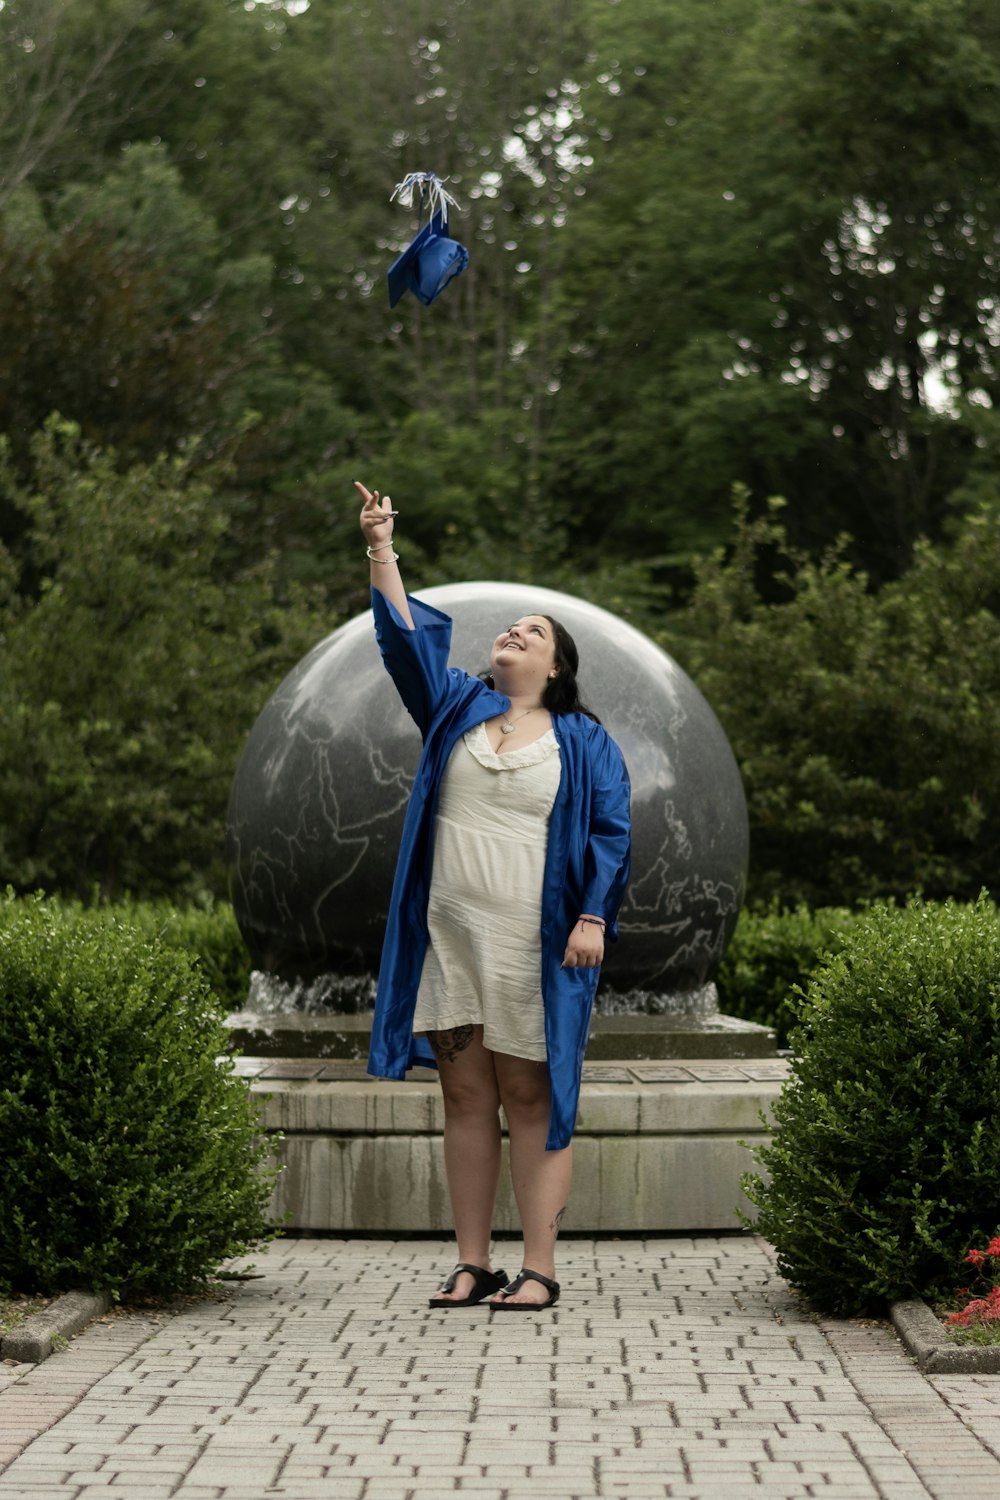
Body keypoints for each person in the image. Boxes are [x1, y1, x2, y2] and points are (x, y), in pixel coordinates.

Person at [355, 480, 631, 1310]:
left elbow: (612, 831)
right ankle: (474, 1263)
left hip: (533, 944)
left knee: (530, 1095)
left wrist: (592, 915)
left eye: (534, 631)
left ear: (556, 665)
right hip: (453, 938)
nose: (515, 630)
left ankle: (540, 1267)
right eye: (512, 627)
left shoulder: (582, 741)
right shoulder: (457, 709)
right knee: (466, 1095)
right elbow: (406, 645)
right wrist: (380, 547)